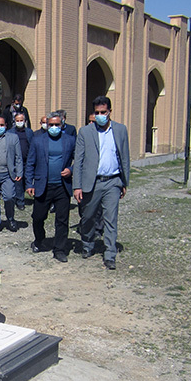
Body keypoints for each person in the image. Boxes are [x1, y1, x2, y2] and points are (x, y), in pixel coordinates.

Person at [73, 96, 130, 270]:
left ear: (109, 112)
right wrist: (77, 186)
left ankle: (110, 253)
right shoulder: (85, 132)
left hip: (113, 181)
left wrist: (124, 182)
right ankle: (88, 243)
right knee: (88, 217)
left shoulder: (120, 130)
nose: (100, 116)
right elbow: (78, 160)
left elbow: (124, 157)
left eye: (103, 112)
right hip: (92, 183)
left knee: (110, 218)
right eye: (97, 113)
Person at [25, 111, 76, 262]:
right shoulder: (38, 141)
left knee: (62, 220)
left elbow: (79, 160)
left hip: (62, 186)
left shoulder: (70, 140)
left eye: (57, 124)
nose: (54, 127)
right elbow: (30, 163)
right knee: (38, 217)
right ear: (47, 125)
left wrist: (71, 170)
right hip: (43, 186)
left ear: (62, 125)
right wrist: (29, 183)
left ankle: (59, 249)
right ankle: (39, 240)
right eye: (51, 124)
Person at [8, 113, 34, 211]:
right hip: (16, 161)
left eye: (21, 120)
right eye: (17, 120)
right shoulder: (10, 132)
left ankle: (29, 193)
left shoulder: (29, 132)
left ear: (25, 121)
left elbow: (32, 145)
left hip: (27, 160)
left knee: (27, 179)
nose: (19, 122)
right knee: (18, 181)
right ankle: (20, 201)